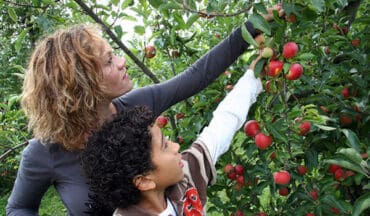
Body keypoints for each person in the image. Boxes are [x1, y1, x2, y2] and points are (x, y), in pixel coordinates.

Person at [6, 5, 284, 216]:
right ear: (80, 86)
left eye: (114, 53)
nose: (121, 62)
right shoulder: (44, 153)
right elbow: (19, 208)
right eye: (108, 62)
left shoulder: (136, 108)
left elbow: (198, 76)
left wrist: (249, 29)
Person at [80, 59, 263, 215]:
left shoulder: (186, 177)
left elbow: (222, 125)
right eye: (165, 146)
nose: (176, 147)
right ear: (144, 181)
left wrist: (253, 77)